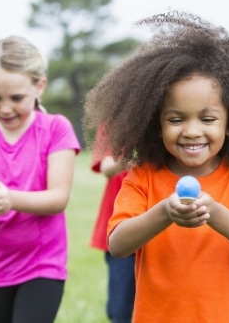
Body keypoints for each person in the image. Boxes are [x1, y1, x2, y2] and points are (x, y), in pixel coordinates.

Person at [83, 10, 229, 323]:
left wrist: (215, 213)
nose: (192, 131)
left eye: (207, 119)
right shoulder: (143, 176)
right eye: (176, 119)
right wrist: (164, 212)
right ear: (156, 125)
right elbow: (118, 244)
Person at [0, 35, 81, 323]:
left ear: (39, 86)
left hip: (43, 264)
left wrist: (10, 199)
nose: (4, 108)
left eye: (16, 98)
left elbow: (57, 199)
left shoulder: (56, 129)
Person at [90, 128, 136, 323]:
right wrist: (140, 154)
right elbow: (107, 167)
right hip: (120, 226)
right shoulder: (114, 119)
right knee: (121, 309)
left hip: (167, 227)